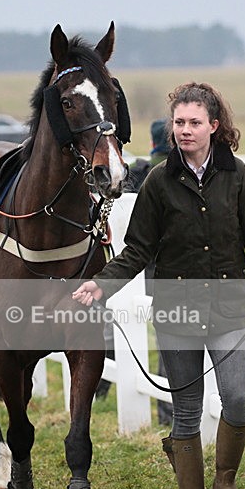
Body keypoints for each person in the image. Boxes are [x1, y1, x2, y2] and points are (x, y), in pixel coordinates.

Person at [73, 82, 245, 489]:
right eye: (179, 123)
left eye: (194, 123)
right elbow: (137, 250)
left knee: (238, 401)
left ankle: (225, 483)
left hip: (228, 309)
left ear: (214, 126)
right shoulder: (159, 182)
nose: (185, 130)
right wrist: (100, 286)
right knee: (185, 412)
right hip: (176, 313)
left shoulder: (238, 175)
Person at [95, 120, 173, 427]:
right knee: (170, 342)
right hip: (166, 271)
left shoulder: (136, 174)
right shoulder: (177, 174)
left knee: (116, 330)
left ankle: (100, 388)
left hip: (127, 266)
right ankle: (167, 412)